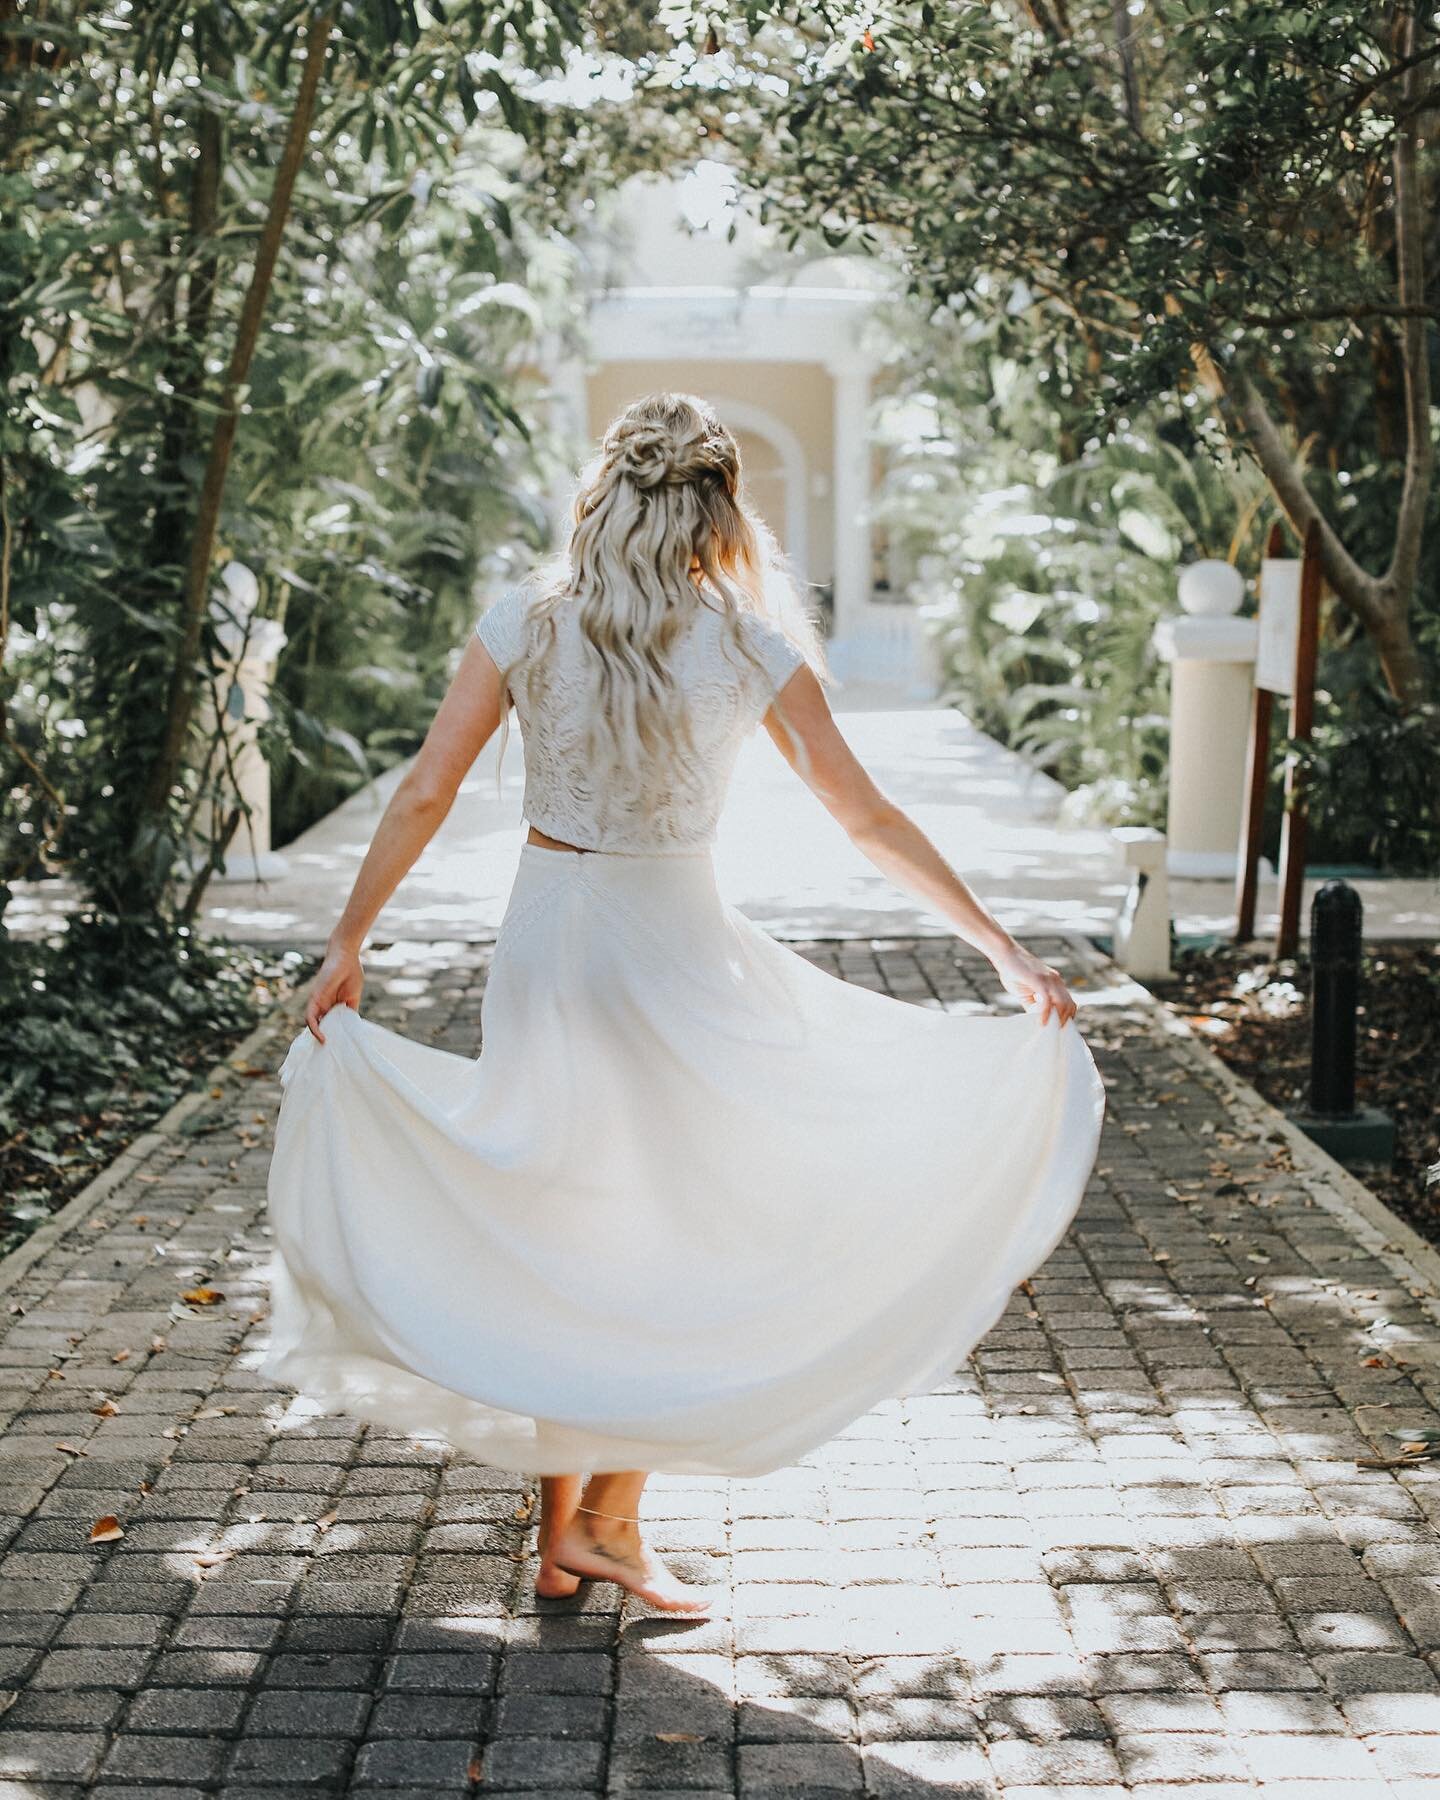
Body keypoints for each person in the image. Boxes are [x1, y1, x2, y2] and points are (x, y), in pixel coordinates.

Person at [261, 391, 1105, 1621]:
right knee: (660, 1234)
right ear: (721, 507)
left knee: (568, 1224)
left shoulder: (526, 620)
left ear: (602, 493)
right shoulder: (750, 642)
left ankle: (573, 1542)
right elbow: (865, 817)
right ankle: (606, 1527)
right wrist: (1000, 951)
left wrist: (350, 939)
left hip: (549, 936)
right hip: (668, 942)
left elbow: (426, 794)